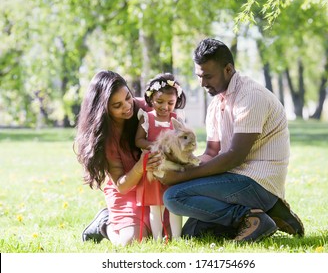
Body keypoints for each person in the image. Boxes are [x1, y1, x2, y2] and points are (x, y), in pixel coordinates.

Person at [159, 38, 305, 242]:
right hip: (233, 179)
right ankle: (271, 212)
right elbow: (211, 153)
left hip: (257, 181)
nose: (202, 83)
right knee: (193, 233)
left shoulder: (251, 97)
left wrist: (182, 177)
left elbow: (235, 157)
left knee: (174, 197)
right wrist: (180, 168)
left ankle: (252, 217)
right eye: (199, 76)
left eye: (208, 76)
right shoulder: (216, 103)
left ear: (228, 69)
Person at [75, 70, 165, 246]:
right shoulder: (105, 137)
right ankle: (104, 224)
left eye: (128, 97)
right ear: (104, 109)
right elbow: (122, 185)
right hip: (125, 189)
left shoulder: (143, 109)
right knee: (132, 240)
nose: (127, 106)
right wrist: (141, 166)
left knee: (159, 232)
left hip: (150, 185)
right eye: (117, 105)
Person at [135, 73, 187, 240]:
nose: (165, 107)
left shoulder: (177, 119)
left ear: (176, 101)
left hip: (172, 169)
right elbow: (138, 140)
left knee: (173, 205)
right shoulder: (147, 118)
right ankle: (157, 238)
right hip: (153, 168)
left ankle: (177, 237)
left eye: (170, 103)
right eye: (160, 102)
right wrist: (157, 146)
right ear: (151, 100)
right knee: (155, 207)